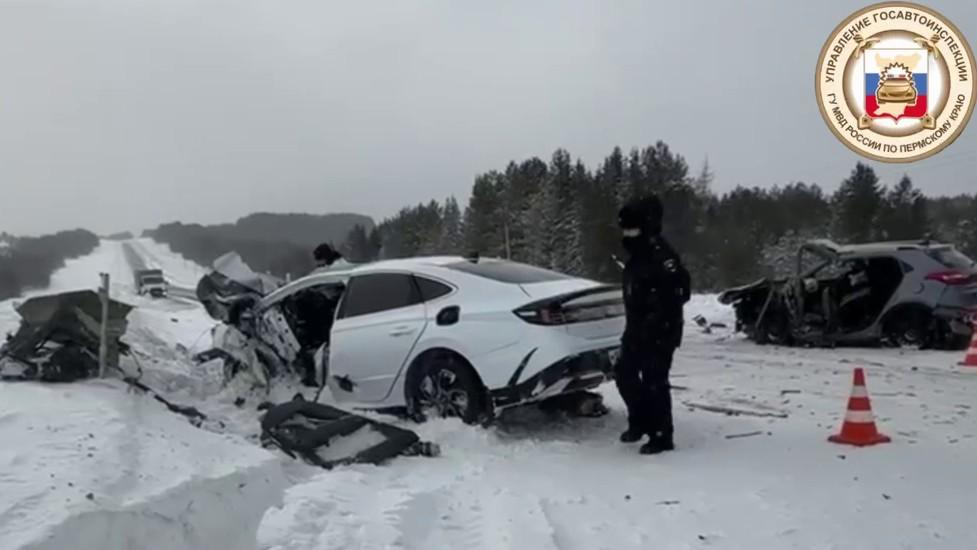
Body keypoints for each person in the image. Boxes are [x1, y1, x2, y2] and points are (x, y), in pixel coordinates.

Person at [614, 195, 691, 455]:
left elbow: (680, 292)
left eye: (632, 228)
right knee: (624, 373)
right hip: (635, 327)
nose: (627, 233)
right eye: (625, 228)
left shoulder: (661, 255)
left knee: (654, 381)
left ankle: (661, 435)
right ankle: (639, 421)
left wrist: (654, 321)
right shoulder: (638, 254)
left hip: (660, 330)